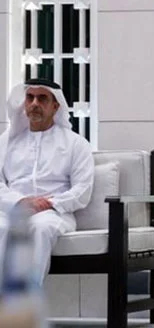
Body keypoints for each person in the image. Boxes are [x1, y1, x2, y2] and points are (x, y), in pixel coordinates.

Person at [0, 79, 94, 285]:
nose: (34, 103)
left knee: (40, 228)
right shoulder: (6, 142)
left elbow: (82, 189)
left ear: (55, 106)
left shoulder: (75, 144)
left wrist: (49, 203)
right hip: (11, 210)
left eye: (42, 98)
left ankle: (25, 303)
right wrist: (20, 202)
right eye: (30, 97)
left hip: (53, 213)